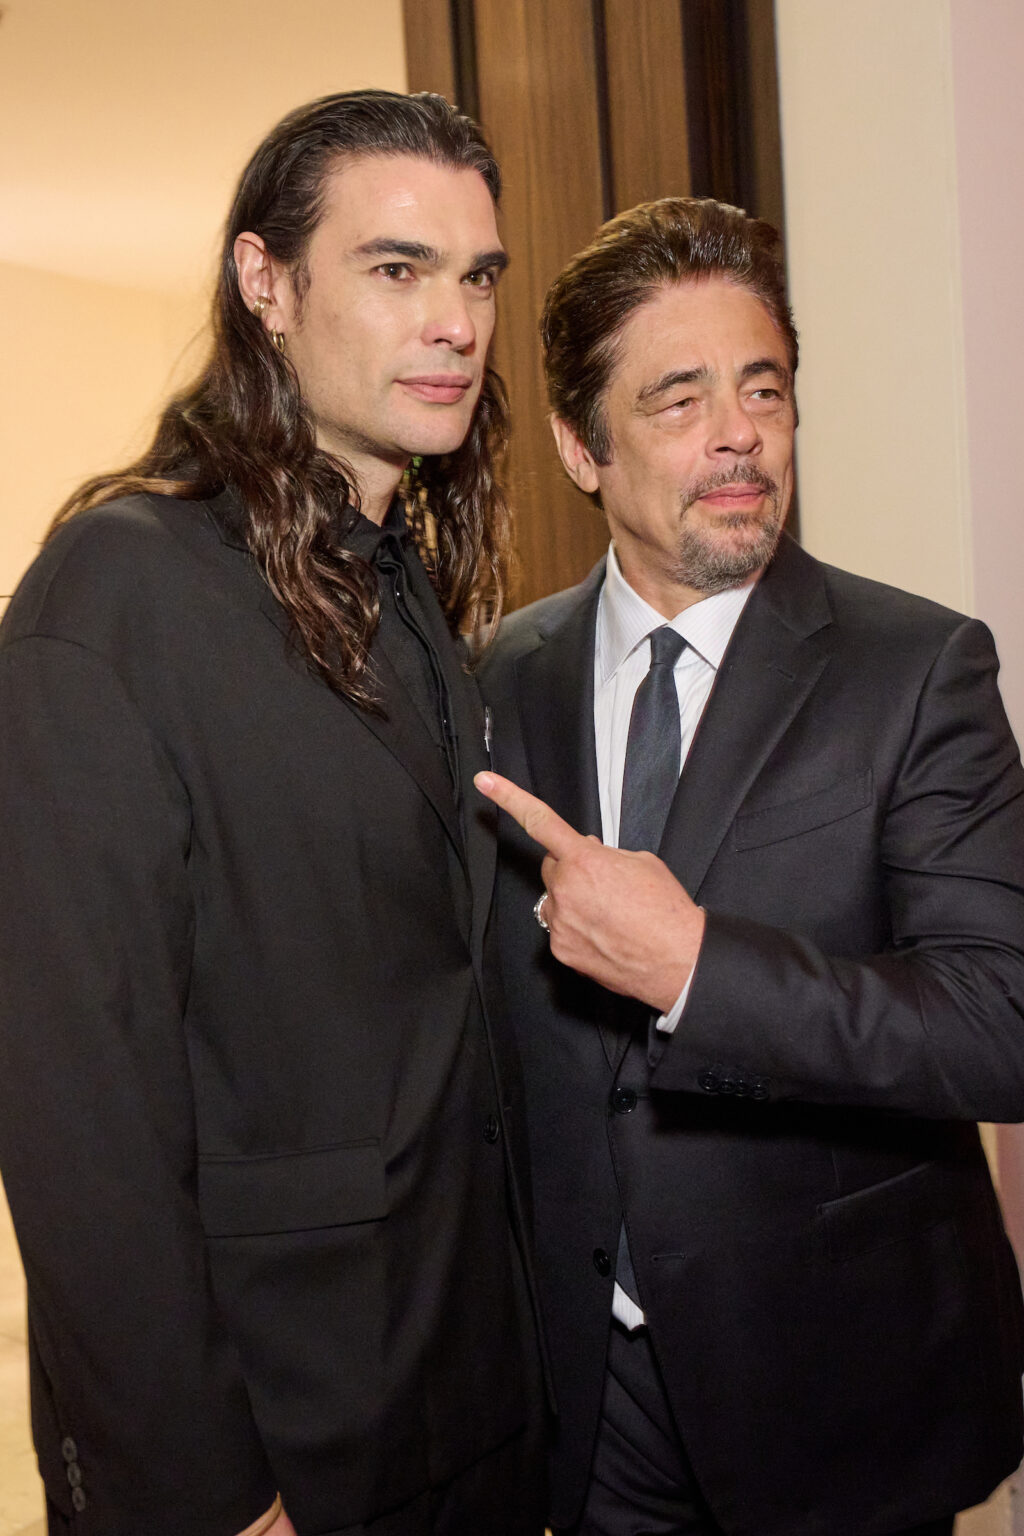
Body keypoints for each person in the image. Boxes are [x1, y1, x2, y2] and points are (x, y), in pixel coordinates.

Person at [0, 90, 546, 1536]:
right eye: (396, 268)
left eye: (478, 276)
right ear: (267, 283)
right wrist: (209, 1491)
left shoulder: (407, 588)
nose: (455, 322)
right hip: (273, 1447)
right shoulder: (115, 594)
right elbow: (76, 1120)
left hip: (461, 1397)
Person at [475, 196, 1024, 1536]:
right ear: (579, 447)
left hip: (841, 1397)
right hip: (583, 1406)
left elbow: (1004, 1025)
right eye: (677, 399)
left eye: (761, 387)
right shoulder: (496, 678)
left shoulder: (917, 669)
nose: (737, 434)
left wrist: (703, 972)